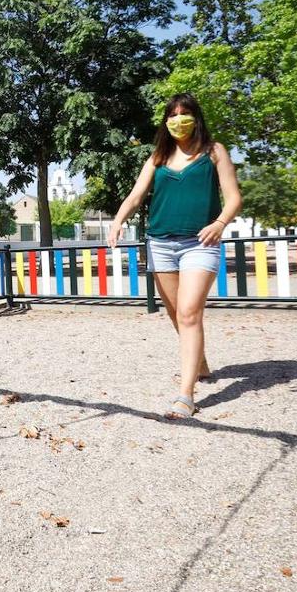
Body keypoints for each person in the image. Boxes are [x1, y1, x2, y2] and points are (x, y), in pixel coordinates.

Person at [106, 93, 241, 420]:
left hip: (200, 242)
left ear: (196, 118)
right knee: (176, 314)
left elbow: (234, 198)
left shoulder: (214, 152)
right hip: (161, 243)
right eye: (173, 115)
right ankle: (201, 361)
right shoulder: (158, 156)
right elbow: (136, 195)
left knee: (189, 312)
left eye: (185, 114)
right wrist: (118, 220)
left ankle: (186, 394)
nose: (178, 120)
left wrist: (220, 223)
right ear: (166, 121)